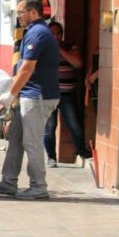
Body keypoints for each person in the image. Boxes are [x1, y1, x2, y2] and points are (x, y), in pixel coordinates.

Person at [0, 0, 60, 200]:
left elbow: (26, 69)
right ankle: (8, 182)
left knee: (31, 142)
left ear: (33, 12)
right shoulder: (33, 32)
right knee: (16, 139)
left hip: (37, 97)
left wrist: (11, 94)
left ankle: (39, 186)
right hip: (28, 95)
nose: (18, 16)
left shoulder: (38, 34)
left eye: (21, 12)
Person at [43, 22, 92, 167]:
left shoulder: (71, 46)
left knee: (74, 125)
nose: (56, 36)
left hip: (67, 95)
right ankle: (51, 157)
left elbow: (78, 63)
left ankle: (81, 151)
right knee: (50, 127)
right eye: (52, 34)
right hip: (49, 95)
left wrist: (60, 50)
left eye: (58, 33)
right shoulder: (43, 48)